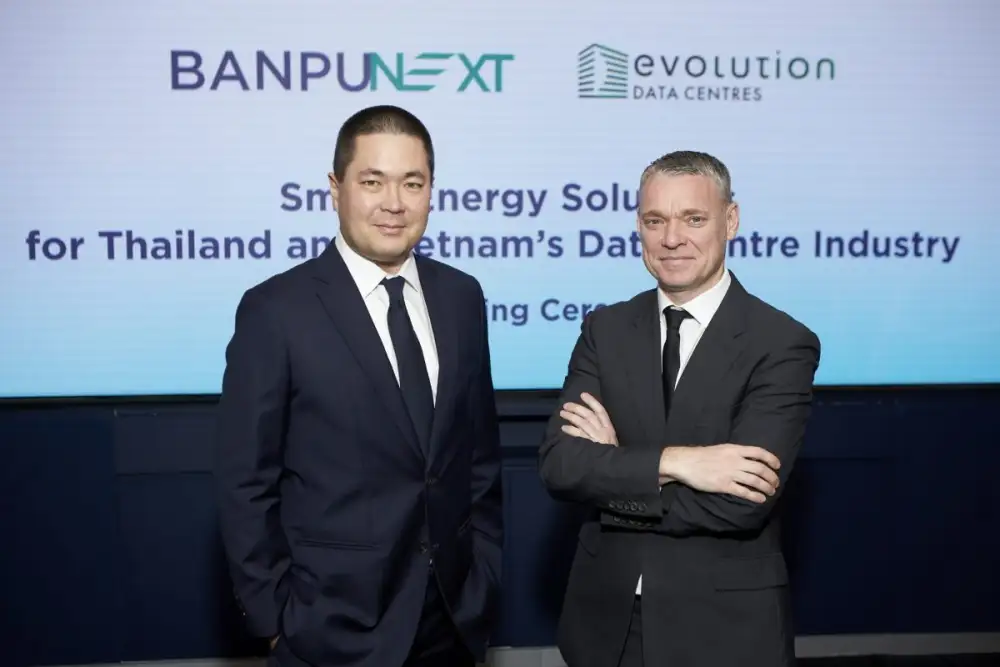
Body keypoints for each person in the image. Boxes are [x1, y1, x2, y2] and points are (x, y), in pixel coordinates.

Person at [215, 104, 502, 667]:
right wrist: (276, 623)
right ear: (335, 188)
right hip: (327, 632)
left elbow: (479, 459)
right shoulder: (276, 310)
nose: (394, 203)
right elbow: (245, 481)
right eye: (373, 182)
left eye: (412, 183)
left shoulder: (462, 297)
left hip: (451, 623)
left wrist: (484, 576)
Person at [538, 151, 821, 667]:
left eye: (693, 219)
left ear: (730, 221)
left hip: (723, 631)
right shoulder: (605, 330)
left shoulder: (781, 343)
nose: (671, 239)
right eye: (655, 221)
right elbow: (562, 465)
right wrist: (679, 462)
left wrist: (615, 472)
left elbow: (741, 502)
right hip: (604, 627)